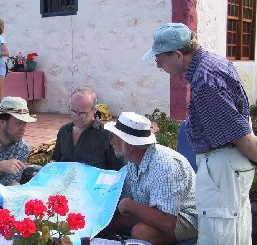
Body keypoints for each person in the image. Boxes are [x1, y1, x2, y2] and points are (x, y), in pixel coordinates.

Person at [142, 22, 256, 244]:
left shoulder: (205, 81)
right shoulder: (212, 62)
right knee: (235, 234)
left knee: (219, 236)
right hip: (227, 167)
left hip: (223, 168)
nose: (158, 65)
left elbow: (242, 137)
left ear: (177, 54)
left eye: (159, 59)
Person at [101, 112, 197, 244]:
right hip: (153, 213)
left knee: (141, 232)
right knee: (103, 224)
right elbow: (121, 203)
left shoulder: (165, 166)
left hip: (186, 217)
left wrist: (130, 205)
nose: (111, 141)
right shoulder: (132, 162)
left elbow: (168, 222)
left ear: (130, 145)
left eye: (115, 137)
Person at [52, 87, 124, 170]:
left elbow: (116, 170)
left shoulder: (106, 135)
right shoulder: (64, 131)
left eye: (83, 113)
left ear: (94, 110)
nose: (77, 117)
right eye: (74, 111)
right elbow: (56, 162)